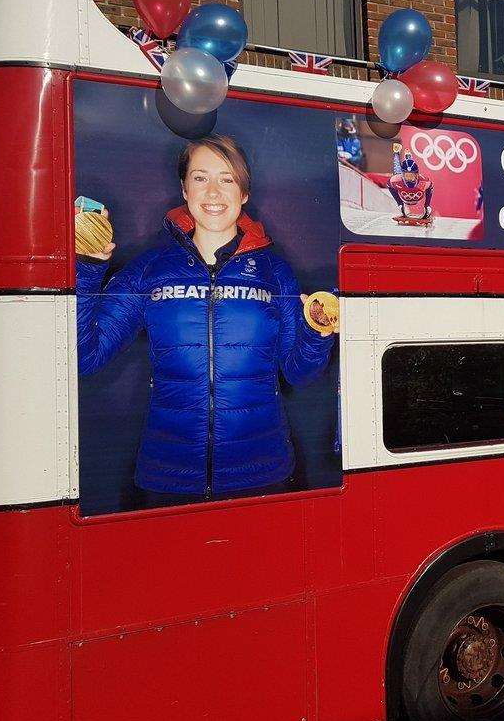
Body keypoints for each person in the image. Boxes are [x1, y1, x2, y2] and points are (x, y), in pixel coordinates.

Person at [75, 135, 337, 502]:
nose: (213, 192)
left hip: (261, 473)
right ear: (184, 189)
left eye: (227, 179)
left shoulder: (274, 272)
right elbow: (85, 357)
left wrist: (316, 331)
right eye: (200, 178)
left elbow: (300, 373)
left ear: (244, 193)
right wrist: (88, 267)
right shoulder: (149, 270)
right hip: (169, 477)